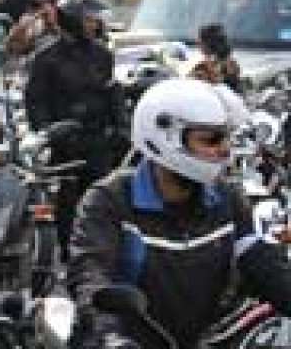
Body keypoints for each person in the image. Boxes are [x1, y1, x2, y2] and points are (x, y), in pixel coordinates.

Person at [69, 78, 291, 349]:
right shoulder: (109, 201)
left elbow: (262, 263)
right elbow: (91, 277)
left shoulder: (226, 198)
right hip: (126, 342)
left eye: (225, 137)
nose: (224, 149)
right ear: (164, 137)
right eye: (211, 139)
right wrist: (111, 338)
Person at [25, 0, 118, 256]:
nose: (93, 25)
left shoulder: (103, 55)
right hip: (63, 143)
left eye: (94, 21)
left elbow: (111, 91)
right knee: (67, 201)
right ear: (73, 21)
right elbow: (35, 101)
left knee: (100, 197)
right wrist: (47, 133)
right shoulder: (46, 57)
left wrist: (119, 126)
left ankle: (98, 250)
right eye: (88, 20)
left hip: (97, 140)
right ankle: (69, 251)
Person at [190, 23, 241, 93]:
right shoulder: (203, 65)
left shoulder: (229, 65)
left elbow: (227, 82)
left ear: (209, 43)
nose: (198, 44)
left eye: (200, 41)